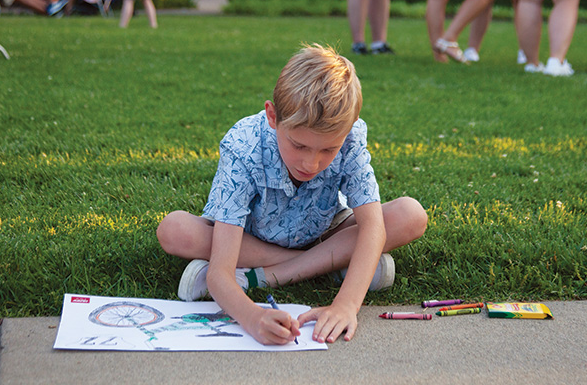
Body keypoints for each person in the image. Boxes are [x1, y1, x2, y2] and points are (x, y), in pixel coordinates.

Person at [157, 44, 427, 345]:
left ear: (349, 128)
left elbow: (373, 225)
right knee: (175, 230)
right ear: (273, 116)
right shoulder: (244, 145)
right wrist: (253, 317)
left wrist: (346, 305)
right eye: (299, 145)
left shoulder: (350, 137)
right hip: (250, 240)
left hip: (323, 231)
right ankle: (333, 264)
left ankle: (260, 276)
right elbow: (219, 273)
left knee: (410, 215)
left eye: (328, 149)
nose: (311, 163)